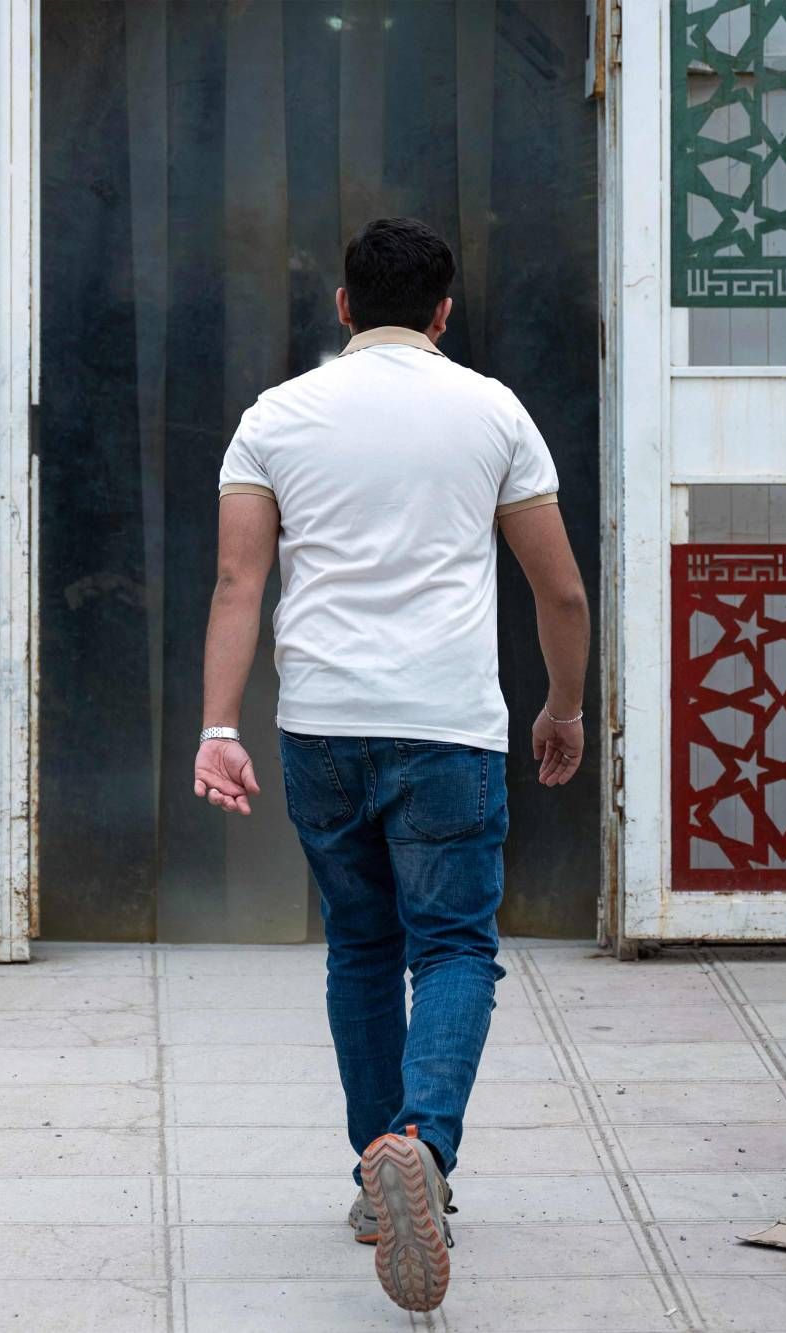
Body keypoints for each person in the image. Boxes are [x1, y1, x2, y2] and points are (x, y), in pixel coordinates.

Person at [191, 216, 591, 1313]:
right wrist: (561, 706)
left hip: (321, 724)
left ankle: (378, 1172)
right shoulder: (493, 411)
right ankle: (423, 1144)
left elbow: (237, 583)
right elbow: (558, 590)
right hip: (448, 723)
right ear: (443, 312)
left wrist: (219, 728)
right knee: (453, 945)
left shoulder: (275, 416)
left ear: (341, 306)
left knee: (361, 947)